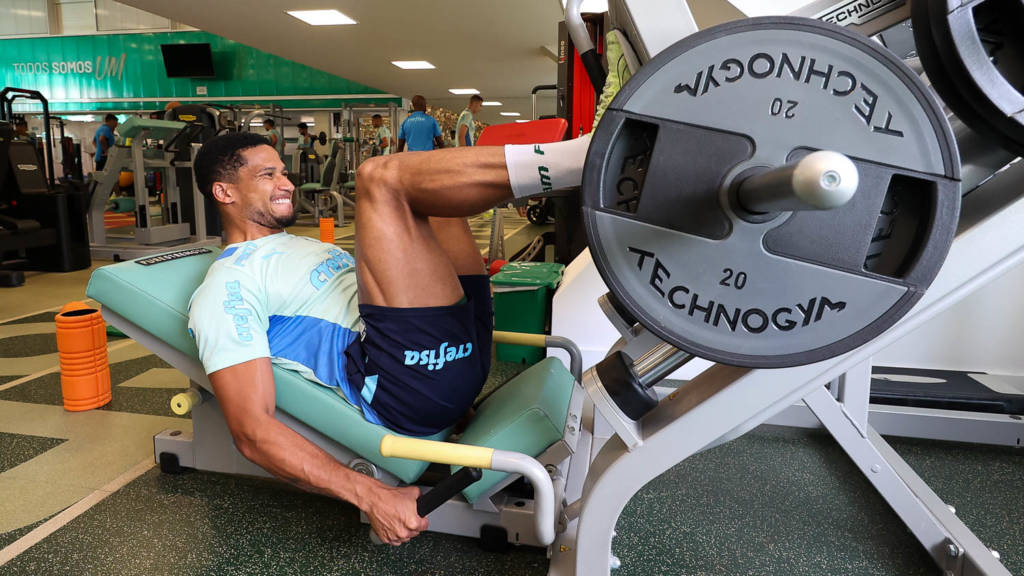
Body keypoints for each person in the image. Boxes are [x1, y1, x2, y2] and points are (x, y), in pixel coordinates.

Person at [186, 125, 590, 545]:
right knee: (379, 177)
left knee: (435, 187)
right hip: (410, 385)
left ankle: (574, 167)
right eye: (267, 175)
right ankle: (580, 161)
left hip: (457, 362)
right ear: (224, 192)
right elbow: (252, 430)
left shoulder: (302, 246)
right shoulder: (227, 286)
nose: (286, 183)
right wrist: (372, 495)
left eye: (283, 172)